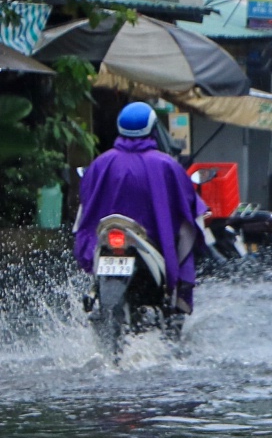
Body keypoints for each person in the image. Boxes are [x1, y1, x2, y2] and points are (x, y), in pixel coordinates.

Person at [74, 102, 205, 313]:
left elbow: (86, 203)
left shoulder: (100, 162)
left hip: (109, 236)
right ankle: (179, 295)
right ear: (153, 129)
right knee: (187, 227)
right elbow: (187, 209)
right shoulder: (167, 165)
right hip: (151, 239)